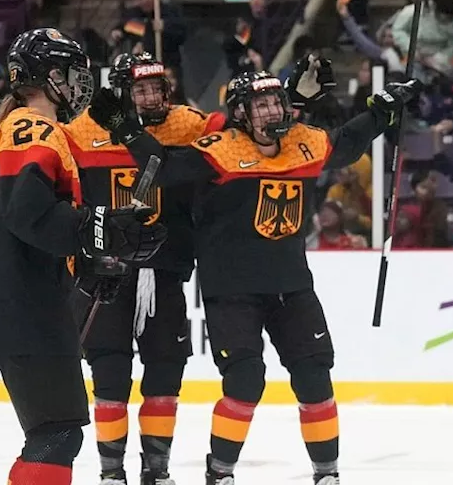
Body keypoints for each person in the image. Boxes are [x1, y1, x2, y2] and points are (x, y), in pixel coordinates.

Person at [89, 66, 420, 485]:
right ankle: (220, 472)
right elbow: (165, 169)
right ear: (242, 114)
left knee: (315, 376)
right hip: (232, 291)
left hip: (293, 287)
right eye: (260, 104)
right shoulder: (219, 150)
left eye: (276, 101)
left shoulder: (305, 141)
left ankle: (327, 474)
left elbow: (348, 143)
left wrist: (384, 109)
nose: (271, 110)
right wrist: (124, 127)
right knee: (246, 381)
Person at [0, 28, 168, 485]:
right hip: (20, 303)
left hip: (18, 298)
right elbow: (28, 215)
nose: (77, 84)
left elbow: (38, 221)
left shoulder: (27, 128)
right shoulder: (34, 127)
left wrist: (89, 261)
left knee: (53, 432)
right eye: (71, 74)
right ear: (49, 76)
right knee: (57, 433)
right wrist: (101, 228)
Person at [66, 52, 224, 485]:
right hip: (105, 274)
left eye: (157, 88)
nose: (152, 97)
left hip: (166, 269)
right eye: (140, 89)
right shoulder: (81, 130)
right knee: (110, 376)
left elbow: (239, 135)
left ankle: (157, 470)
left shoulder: (189, 125)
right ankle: (111, 473)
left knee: (166, 371)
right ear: (119, 92)